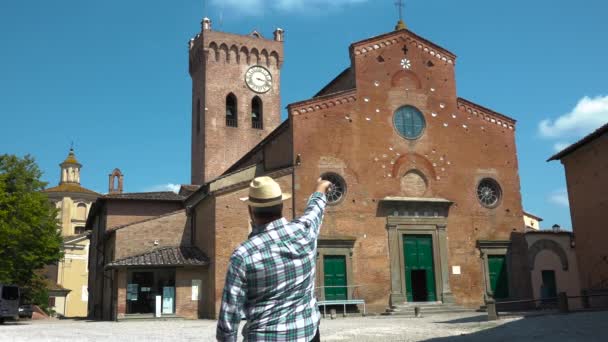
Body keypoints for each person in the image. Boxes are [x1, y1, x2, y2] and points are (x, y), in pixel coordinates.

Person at [216, 176, 332, 342]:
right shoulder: (304, 232)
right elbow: (315, 209)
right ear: (281, 206)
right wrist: (321, 186)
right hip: (308, 335)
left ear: (251, 210)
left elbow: (229, 319)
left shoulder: (243, 255)